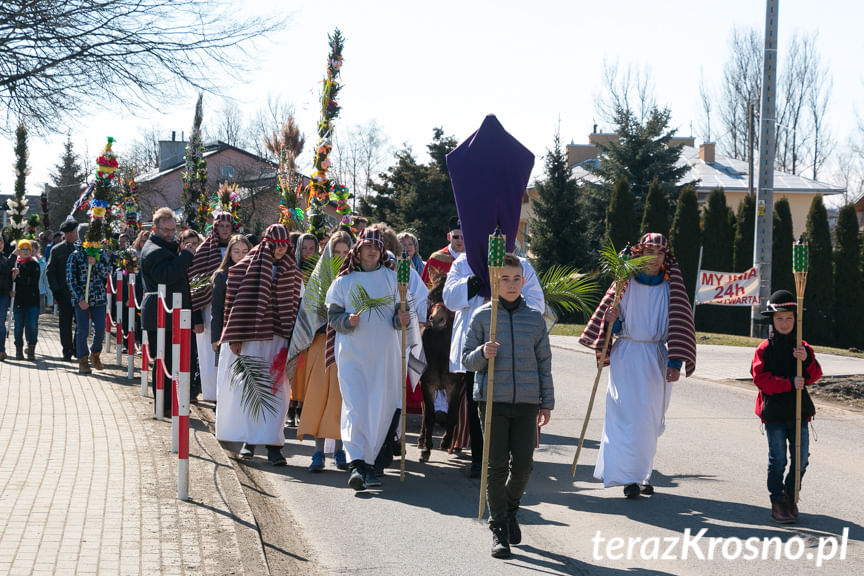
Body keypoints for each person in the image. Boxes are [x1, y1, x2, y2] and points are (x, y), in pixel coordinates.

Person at [579, 232, 697, 498]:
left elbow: (678, 326)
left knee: (649, 421)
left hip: (655, 356)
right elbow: (612, 327)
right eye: (648, 252)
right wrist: (612, 319)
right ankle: (626, 477)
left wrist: (675, 362)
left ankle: (643, 474)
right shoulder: (624, 285)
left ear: (666, 257)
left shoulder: (671, 289)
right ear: (639, 254)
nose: (654, 259)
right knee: (624, 416)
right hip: (627, 355)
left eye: (659, 253)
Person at [462, 253, 554, 559]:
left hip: (527, 402)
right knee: (496, 466)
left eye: (516, 279)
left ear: (523, 282)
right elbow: (466, 360)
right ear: (495, 281)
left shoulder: (534, 320)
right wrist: (482, 353)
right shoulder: (482, 318)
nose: (511, 284)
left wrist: (547, 403)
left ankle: (511, 510)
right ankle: (498, 527)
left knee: (524, 466)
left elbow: (544, 363)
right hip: (492, 401)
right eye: (505, 279)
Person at [443, 251, 545, 477]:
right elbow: (450, 298)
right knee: (479, 405)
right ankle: (480, 459)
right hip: (479, 345)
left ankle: (514, 459)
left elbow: (537, 304)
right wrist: (474, 282)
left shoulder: (522, 264)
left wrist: (508, 298)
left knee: (514, 405)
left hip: (514, 347)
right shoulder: (465, 262)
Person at [325, 228, 411, 491]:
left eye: (377, 247)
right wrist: (346, 322)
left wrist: (401, 319)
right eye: (367, 247)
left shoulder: (392, 278)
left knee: (381, 406)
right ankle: (357, 464)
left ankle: (373, 463)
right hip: (353, 355)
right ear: (358, 251)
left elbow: (399, 315)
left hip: (385, 356)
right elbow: (333, 317)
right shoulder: (344, 282)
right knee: (356, 406)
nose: (372, 251)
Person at [215, 224, 301, 466]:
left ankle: (274, 445)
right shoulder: (243, 269)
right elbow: (232, 305)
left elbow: (298, 306)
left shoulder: (293, 272)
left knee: (278, 391)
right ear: (266, 244)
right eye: (277, 245)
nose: (281, 250)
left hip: (279, 338)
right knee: (251, 388)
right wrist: (234, 337)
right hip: (251, 336)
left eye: (285, 245)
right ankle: (249, 442)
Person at [751, 289, 822, 524]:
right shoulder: (764, 349)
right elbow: (760, 379)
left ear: (796, 319)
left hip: (799, 412)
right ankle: (778, 500)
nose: (784, 323)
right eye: (779, 318)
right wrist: (789, 383)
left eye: (789, 318)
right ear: (771, 320)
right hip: (774, 413)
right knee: (778, 459)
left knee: (801, 458)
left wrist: (806, 360)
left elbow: (815, 375)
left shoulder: (803, 347)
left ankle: (791, 496)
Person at [296, 231, 353, 471]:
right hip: (321, 343)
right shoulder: (318, 279)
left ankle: (340, 450)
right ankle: (317, 452)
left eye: (345, 252)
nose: (340, 257)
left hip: (348, 343)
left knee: (342, 397)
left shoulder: (355, 278)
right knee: (318, 395)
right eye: (336, 252)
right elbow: (308, 313)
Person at [140, 208, 202, 414]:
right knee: (165, 361)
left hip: (172, 315)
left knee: (175, 361)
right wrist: (185, 255)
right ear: (155, 229)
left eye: (173, 230)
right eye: (166, 230)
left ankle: (172, 402)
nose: (170, 234)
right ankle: (164, 405)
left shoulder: (165, 246)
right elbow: (164, 276)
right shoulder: (153, 251)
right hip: (161, 316)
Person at [188, 213, 235, 402]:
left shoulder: (240, 248)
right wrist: (197, 317)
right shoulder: (204, 250)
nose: (224, 229)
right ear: (215, 228)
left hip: (232, 308)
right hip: (208, 308)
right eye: (221, 226)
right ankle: (212, 395)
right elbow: (195, 283)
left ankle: (228, 395)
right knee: (209, 354)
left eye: (228, 226)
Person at [287, 233, 321, 426]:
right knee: (295, 367)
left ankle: (303, 407)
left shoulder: (322, 271)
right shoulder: (292, 269)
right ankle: (291, 407)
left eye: (312, 248)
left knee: (308, 368)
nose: (308, 252)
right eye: (305, 248)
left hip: (314, 323)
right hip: (294, 322)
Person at [66, 239, 112, 374]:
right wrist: (80, 298)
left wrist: (96, 264)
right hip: (81, 299)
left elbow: (108, 272)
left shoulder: (101, 253)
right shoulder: (75, 255)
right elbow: (70, 279)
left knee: (100, 328)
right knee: (83, 330)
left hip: (98, 298)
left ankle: (95, 353)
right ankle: (83, 359)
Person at [46, 219, 79, 361]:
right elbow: (50, 271)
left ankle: (78, 349)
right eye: (68, 233)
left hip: (79, 294)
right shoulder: (57, 250)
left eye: (73, 232)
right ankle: (67, 350)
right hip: (63, 293)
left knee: (81, 323)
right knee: (65, 324)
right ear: (64, 234)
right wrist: (56, 290)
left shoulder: (83, 248)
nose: (71, 235)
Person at [11, 239, 41, 361]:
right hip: (18, 301)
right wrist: (12, 281)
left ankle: (31, 349)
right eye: (22, 249)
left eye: (27, 249)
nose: (25, 252)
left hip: (32, 301)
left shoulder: (34, 264)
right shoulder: (15, 264)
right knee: (18, 327)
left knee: (32, 326)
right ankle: (18, 349)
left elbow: (31, 282)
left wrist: (18, 277)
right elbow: (9, 280)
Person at [420, 217, 464, 287]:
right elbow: (425, 289)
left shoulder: (474, 259)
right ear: (449, 237)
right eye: (455, 237)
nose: (459, 240)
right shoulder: (436, 259)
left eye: (463, 237)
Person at [0, 236, 14, 361]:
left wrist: (11, 285)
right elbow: (4, 269)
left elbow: (8, 274)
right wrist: (14, 256)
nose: (0, 245)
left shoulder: (4, 259)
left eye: (1, 243)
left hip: (3, 294)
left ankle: (1, 349)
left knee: (1, 323)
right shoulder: (6, 261)